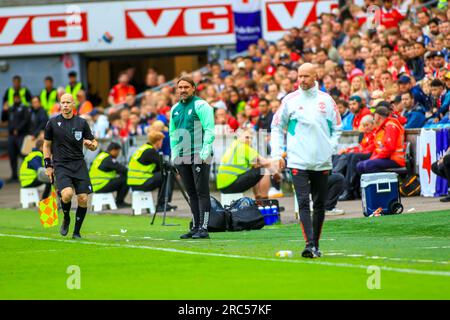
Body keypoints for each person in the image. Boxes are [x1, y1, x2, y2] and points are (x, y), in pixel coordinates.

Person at [271, 63, 341, 258]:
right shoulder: (290, 100)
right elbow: (276, 127)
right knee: (303, 202)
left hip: (321, 161)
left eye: (306, 76)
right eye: (299, 76)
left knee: (319, 203)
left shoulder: (326, 100)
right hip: (297, 161)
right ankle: (309, 244)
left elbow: (337, 127)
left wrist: (330, 149)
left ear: (315, 76)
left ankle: (315, 244)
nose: (302, 80)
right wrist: (278, 154)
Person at [44, 93, 98, 239]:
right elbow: (46, 145)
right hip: (61, 165)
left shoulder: (81, 123)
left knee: (83, 199)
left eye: (68, 102)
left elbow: (94, 143)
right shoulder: (52, 123)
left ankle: (76, 232)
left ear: (73, 104)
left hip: (79, 164)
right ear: (60, 104)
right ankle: (66, 217)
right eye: (63, 102)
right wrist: (48, 164)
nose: (65, 105)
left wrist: (91, 145)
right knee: (67, 195)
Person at [169, 77, 215, 240]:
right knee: (191, 193)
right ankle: (195, 226)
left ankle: (204, 228)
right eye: (180, 87)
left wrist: (204, 153)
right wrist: (174, 156)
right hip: (182, 156)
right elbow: (173, 134)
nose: (182, 90)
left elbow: (209, 130)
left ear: (193, 88)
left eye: (186, 87)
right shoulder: (174, 109)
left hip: (199, 154)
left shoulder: (201, 105)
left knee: (202, 192)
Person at [127, 130, 177, 212]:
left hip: (134, 183)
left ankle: (162, 203)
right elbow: (163, 165)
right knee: (168, 174)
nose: (162, 143)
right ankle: (162, 204)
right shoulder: (150, 151)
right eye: (161, 141)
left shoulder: (143, 148)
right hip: (141, 182)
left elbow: (157, 167)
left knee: (163, 174)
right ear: (157, 141)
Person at [217, 128, 273, 199]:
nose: (249, 140)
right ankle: (265, 201)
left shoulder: (233, 146)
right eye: (247, 137)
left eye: (251, 138)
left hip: (223, 186)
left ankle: (258, 199)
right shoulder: (243, 147)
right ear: (239, 137)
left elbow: (255, 166)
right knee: (264, 171)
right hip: (231, 184)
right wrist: (276, 160)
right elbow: (265, 162)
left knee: (255, 170)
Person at [356, 106, 405, 174]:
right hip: (388, 157)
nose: (373, 118)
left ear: (378, 117)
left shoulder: (390, 126)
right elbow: (378, 147)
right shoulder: (383, 127)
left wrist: (375, 158)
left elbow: (389, 148)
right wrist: (373, 157)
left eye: (374, 116)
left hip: (395, 159)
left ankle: (380, 183)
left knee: (369, 165)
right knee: (360, 165)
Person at [1, 92, 31, 182]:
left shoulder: (24, 108)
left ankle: (27, 174)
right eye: (15, 98)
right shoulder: (11, 108)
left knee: (23, 155)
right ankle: (14, 176)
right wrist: (4, 110)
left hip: (21, 135)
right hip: (11, 136)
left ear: (20, 98)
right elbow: (3, 119)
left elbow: (26, 120)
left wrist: (18, 129)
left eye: (18, 98)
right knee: (12, 155)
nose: (16, 99)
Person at [89, 142, 129, 208]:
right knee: (126, 179)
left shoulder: (101, 156)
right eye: (118, 152)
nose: (118, 154)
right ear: (113, 150)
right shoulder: (108, 159)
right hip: (101, 185)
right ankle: (119, 202)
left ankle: (119, 202)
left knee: (121, 178)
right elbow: (123, 169)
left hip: (95, 185)